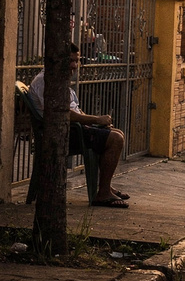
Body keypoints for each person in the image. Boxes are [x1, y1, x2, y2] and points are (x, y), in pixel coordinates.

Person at [30, 44, 129, 207]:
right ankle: (103, 194)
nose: (74, 65)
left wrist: (96, 123)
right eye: (70, 61)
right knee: (115, 139)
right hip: (62, 133)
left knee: (116, 133)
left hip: (73, 129)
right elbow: (64, 114)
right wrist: (96, 120)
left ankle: (105, 186)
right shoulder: (46, 81)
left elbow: (75, 110)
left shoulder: (58, 78)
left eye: (77, 61)